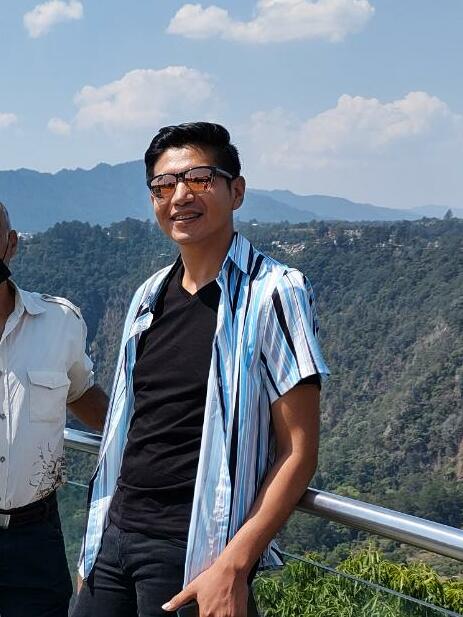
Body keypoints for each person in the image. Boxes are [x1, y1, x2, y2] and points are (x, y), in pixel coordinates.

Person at [73, 122, 329, 617]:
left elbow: (298, 451)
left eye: (199, 178)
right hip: (115, 538)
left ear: (237, 191)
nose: (180, 196)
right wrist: (94, 547)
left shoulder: (274, 291)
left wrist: (233, 567)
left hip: (193, 554)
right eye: (163, 185)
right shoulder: (149, 295)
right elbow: (131, 427)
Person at [0, 202, 108, 617]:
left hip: (35, 537)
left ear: (11, 244)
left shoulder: (59, 322)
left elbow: (81, 393)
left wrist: (145, 434)